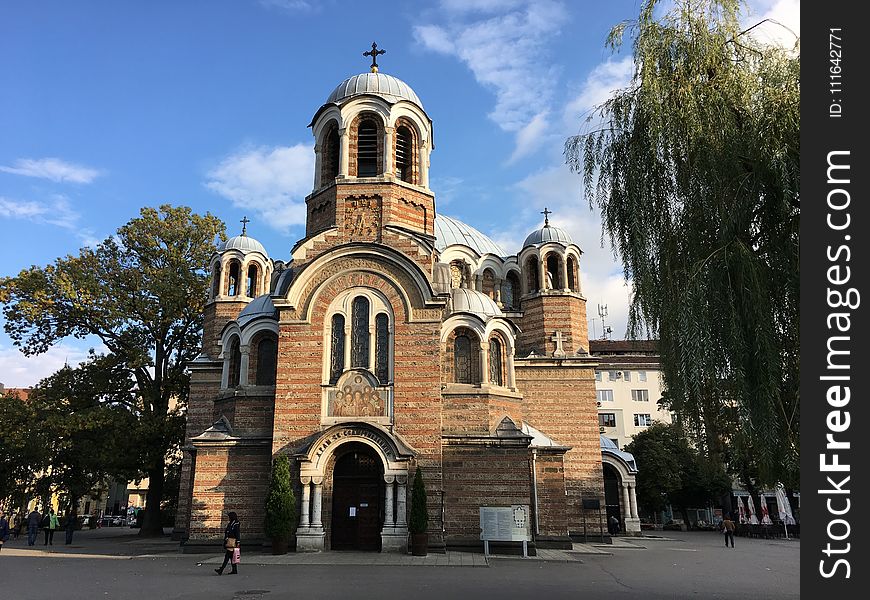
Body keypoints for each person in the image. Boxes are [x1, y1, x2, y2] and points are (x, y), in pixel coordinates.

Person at [214, 511, 240, 575]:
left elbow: (237, 533)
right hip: (229, 541)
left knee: (227, 557)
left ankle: (221, 569)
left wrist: (238, 542)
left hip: (233, 542)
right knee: (231, 557)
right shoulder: (231, 523)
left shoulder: (236, 524)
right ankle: (234, 570)